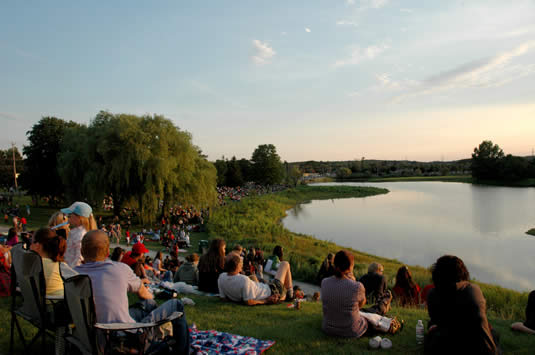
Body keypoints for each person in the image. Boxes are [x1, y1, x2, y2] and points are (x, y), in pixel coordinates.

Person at [75, 230, 190, 354]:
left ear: (82, 251)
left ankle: (153, 336)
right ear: (108, 251)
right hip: (124, 337)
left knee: (148, 304)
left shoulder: (72, 275)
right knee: (175, 305)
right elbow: (143, 293)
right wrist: (151, 296)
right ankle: (177, 350)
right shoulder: (119, 269)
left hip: (91, 336)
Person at [425, 255, 498, 354]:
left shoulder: (432, 294)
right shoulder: (473, 290)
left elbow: (438, 322)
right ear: (463, 273)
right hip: (479, 347)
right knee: (493, 333)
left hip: (445, 345)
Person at [321, 250, 368, 338]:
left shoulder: (324, 282)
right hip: (350, 330)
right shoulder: (357, 286)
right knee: (368, 319)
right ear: (350, 267)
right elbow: (360, 305)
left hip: (327, 328)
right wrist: (352, 280)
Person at [218, 253, 293, 306]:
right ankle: (290, 295)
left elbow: (223, 298)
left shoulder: (221, 277)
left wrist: (236, 299)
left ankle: (289, 293)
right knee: (285, 264)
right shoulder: (244, 280)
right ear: (238, 266)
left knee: (254, 277)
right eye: (241, 262)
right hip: (273, 290)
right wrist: (266, 300)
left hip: (265, 287)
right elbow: (249, 302)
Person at [30, 228, 76, 297]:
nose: (29, 246)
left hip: (38, 303)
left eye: (31, 242)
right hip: (56, 303)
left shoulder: (31, 263)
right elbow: (80, 281)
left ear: (37, 245)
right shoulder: (59, 266)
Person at [61, 202, 97, 267]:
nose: (67, 217)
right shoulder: (77, 232)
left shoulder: (80, 234)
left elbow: (79, 257)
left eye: (69, 215)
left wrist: (70, 270)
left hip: (72, 271)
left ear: (79, 217)